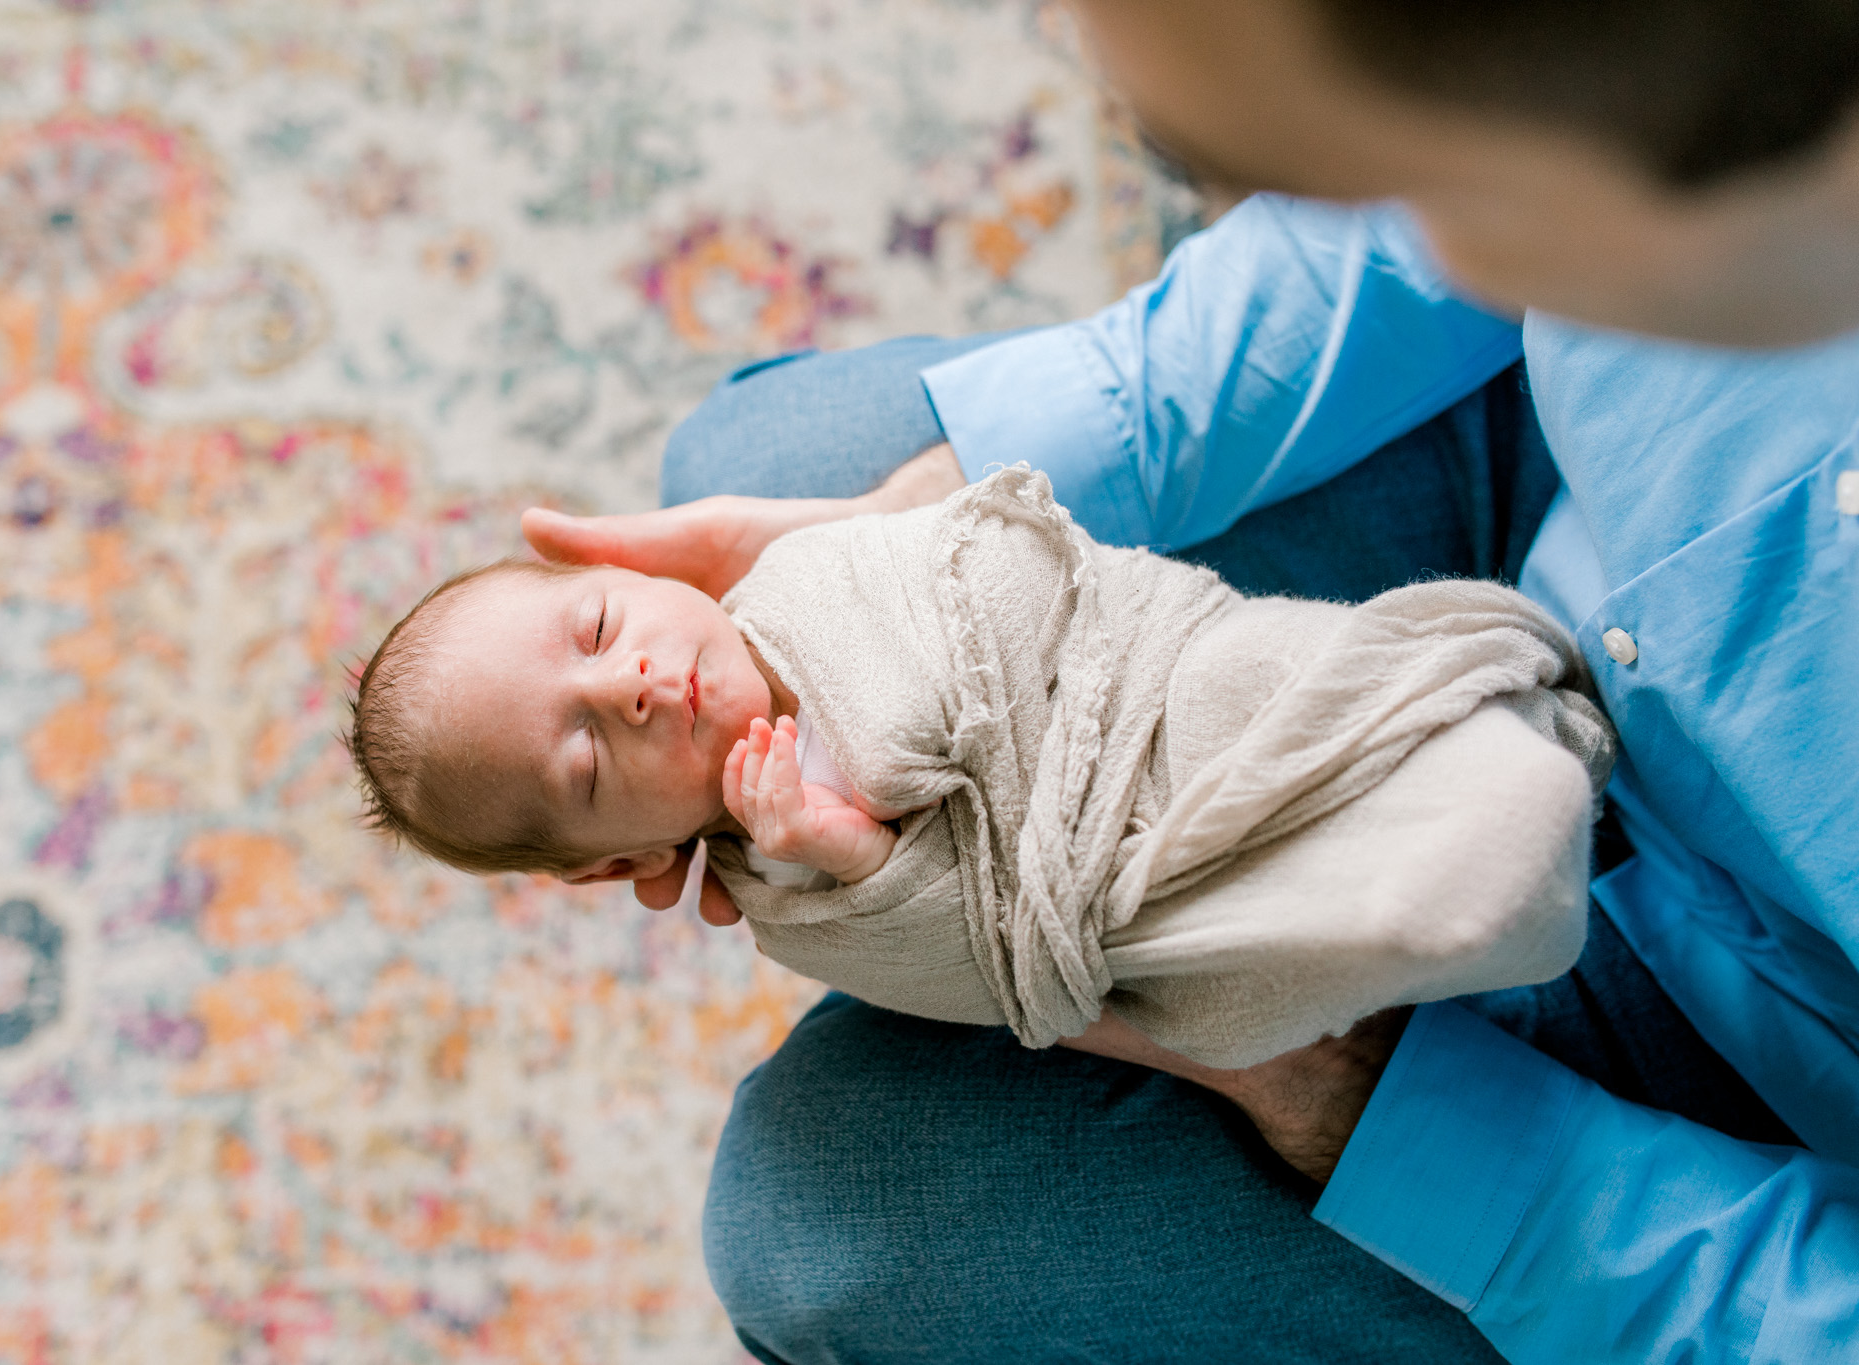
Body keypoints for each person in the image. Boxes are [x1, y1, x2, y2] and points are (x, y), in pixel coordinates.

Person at [520, 0, 1859, 1359]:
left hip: (1745, 1053)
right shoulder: (1623, 135)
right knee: (774, 472)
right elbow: (1422, 228)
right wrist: (931, 509)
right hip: (1530, 538)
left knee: (819, 1230)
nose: (1434, 241)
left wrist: (1353, 1101)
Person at [349, 473, 1608, 1070]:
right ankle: (1487, 875)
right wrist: (853, 855)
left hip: (1158, 694)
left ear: (640, 578)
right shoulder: (789, 901)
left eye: (597, 631)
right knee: (1329, 925)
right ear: (621, 862)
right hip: (1136, 874)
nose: (623, 688)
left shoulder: (809, 575)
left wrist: (905, 728)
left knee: (1318, 690)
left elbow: (1012, 566)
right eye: (584, 757)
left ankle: (1501, 760)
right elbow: (1005, 971)